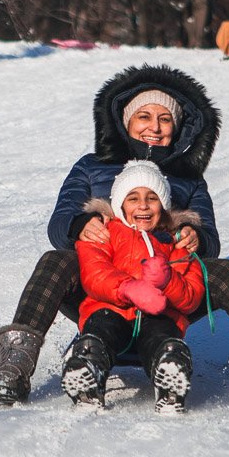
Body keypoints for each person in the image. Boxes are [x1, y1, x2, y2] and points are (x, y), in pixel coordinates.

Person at [0, 64, 229, 413]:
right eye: (144, 116)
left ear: (176, 127)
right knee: (56, 260)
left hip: (167, 290)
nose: (154, 127)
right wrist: (79, 224)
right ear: (126, 120)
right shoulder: (91, 166)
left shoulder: (189, 180)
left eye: (165, 119)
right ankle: (16, 361)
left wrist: (195, 236)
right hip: (103, 287)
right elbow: (59, 224)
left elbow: (210, 241)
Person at [63, 159, 205, 413]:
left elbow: (191, 296)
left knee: (162, 336)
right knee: (101, 329)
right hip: (111, 307)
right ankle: (88, 369)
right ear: (120, 204)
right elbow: (95, 273)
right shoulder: (104, 232)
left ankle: (170, 375)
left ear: (163, 205)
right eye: (133, 198)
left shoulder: (177, 242)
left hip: (159, 314)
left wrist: (168, 281)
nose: (143, 205)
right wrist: (128, 288)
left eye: (152, 198)